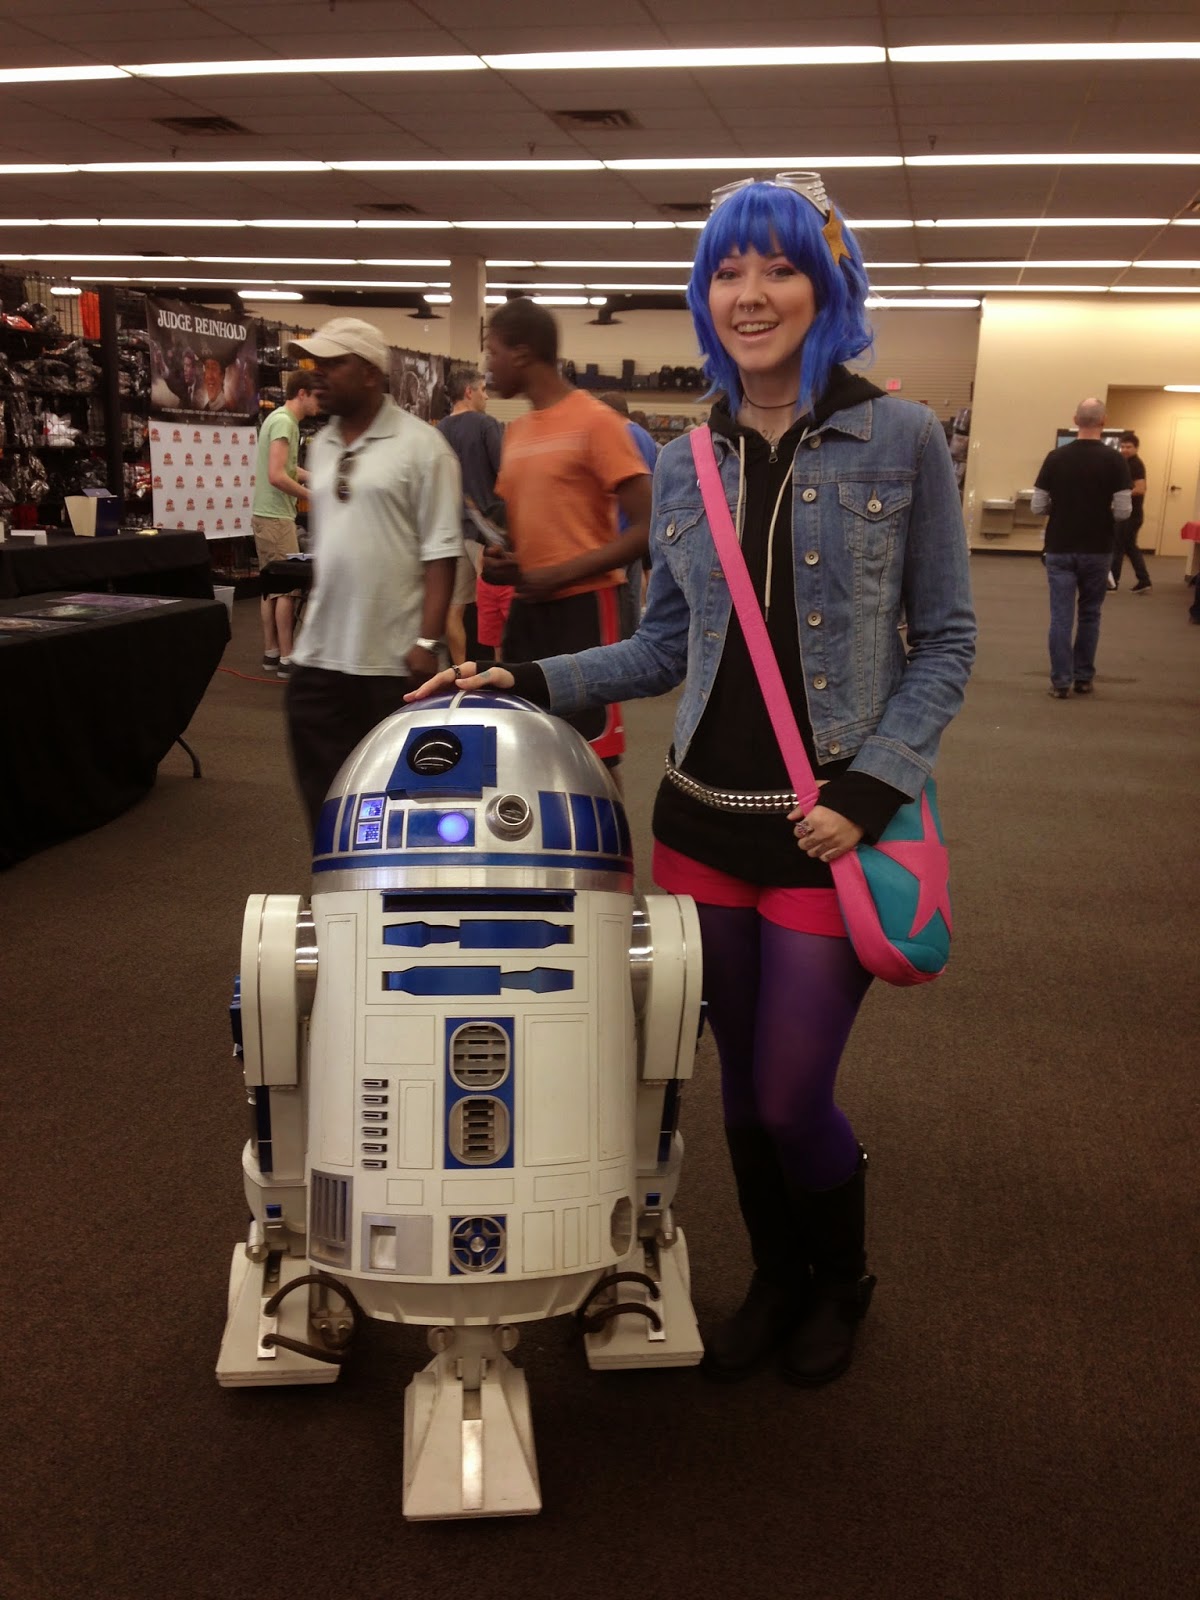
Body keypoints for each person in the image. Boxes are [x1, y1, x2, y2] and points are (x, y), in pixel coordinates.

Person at [408, 171, 976, 1387]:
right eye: (727, 271)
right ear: (704, 294)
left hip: (827, 832)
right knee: (734, 1094)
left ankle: (842, 1279)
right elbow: (665, 647)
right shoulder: (684, 461)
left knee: (792, 1092)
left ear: (827, 285)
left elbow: (948, 641)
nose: (750, 293)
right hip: (701, 828)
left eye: (778, 267)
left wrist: (869, 791)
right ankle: (775, 1275)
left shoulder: (902, 438)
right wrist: (520, 676)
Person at [283, 316, 463, 838]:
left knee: (395, 809)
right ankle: (333, 879)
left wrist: (427, 642)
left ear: (369, 373)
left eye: (331, 363)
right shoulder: (321, 444)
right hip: (318, 658)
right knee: (324, 806)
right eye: (313, 363)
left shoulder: (423, 446)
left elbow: (441, 554)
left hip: (392, 665)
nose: (315, 374)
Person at [481, 299, 653, 772]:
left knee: (591, 755)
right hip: (528, 609)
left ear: (521, 353)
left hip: (584, 609)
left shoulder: (597, 422)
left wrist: (559, 573)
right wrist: (505, 561)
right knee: (524, 744)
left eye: (492, 352)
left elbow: (648, 526)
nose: (488, 365)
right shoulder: (517, 432)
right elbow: (529, 530)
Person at [1032, 399, 1132, 697]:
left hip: (1060, 546)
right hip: (1098, 548)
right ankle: (1084, 677)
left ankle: (1060, 682)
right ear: (1104, 421)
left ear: (1075, 419)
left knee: (1061, 617)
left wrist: (1060, 509)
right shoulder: (1116, 460)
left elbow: (1037, 506)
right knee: (1090, 614)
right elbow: (1124, 511)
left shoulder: (1055, 457)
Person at [251, 368, 321, 677]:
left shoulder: (278, 419)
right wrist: (312, 495)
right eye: (317, 396)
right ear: (302, 393)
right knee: (287, 589)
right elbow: (277, 475)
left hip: (267, 514)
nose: (320, 403)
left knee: (271, 586)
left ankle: (272, 652)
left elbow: (288, 468)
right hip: (276, 516)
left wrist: (316, 478)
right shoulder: (285, 423)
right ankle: (287, 658)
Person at [437, 367, 506, 663]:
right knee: (500, 608)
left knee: (455, 609)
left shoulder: (437, 431)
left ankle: (460, 673)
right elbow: (506, 473)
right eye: (483, 389)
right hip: (484, 533)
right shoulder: (486, 425)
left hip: (449, 533)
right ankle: (502, 677)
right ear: (469, 392)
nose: (486, 396)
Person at [598, 390, 660, 633]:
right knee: (632, 600)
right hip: (638, 531)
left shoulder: (616, 434)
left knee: (614, 603)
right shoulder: (645, 437)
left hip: (617, 531)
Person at [1110, 430, 1151, 593]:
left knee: (1118, 547)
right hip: (1128, 513)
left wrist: (1118, 495)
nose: (1125, 450)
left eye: (1129, 447)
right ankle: (1144, 580)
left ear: (1136, 448)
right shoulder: (1126, 463)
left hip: (1131, 514)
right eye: (1122, 447)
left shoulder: (1136, 464)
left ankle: (1112, 583)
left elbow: (1140, 489)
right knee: (1130, 547)